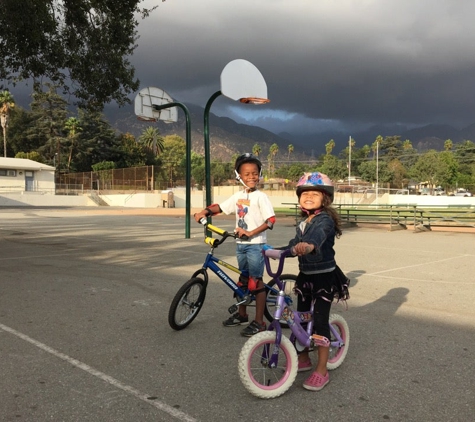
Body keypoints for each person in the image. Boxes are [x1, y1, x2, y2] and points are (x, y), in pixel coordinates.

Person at [279, 172, 349, 391]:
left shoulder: (324, 220)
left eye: (314, 193)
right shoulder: (303, 223)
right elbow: (293, 244)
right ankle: (303, 358)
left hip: (323, 278)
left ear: (324, 198)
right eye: (304, 193)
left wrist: (309, 246)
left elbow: (317, 237)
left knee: (319, 321)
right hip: (306, 277)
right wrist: (274, 251)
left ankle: (321, 369)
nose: (308, 196)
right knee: (299, 318)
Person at [194, 153, 276, 337]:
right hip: (240, 244)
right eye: (247, 174)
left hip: (255, 244)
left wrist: (250, 233)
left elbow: (270, 221)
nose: (252, 177)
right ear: (239, 176)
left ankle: (260, 322)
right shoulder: (238, 196)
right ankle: (242, 315)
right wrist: (203, 212)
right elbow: (220, 208)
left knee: (256, 282)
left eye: (255, 173)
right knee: (243, 281)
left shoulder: (261, 197)